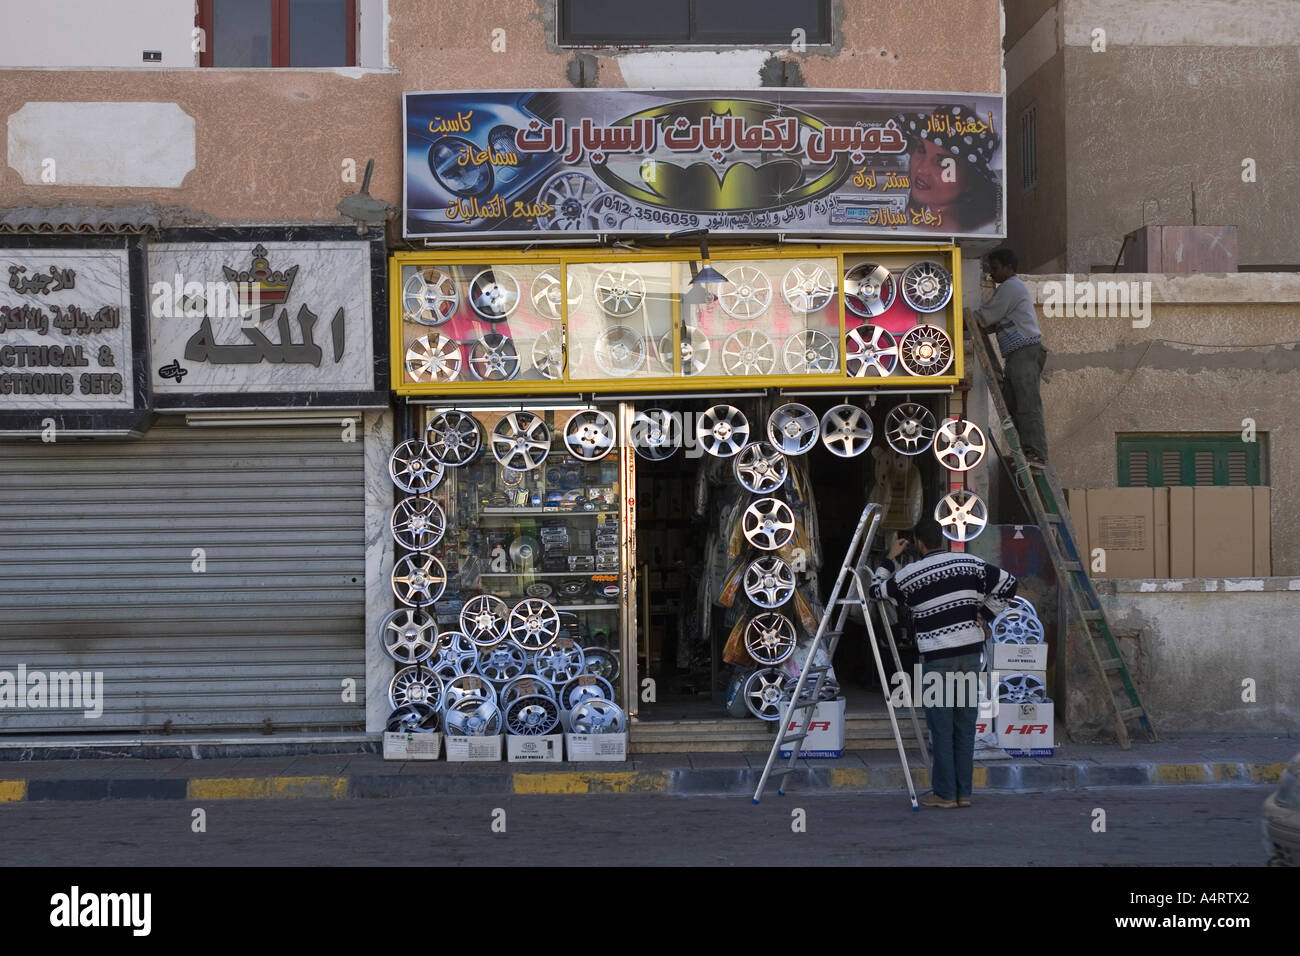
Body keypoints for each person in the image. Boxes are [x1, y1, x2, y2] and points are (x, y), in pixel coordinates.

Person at [871, 518, 1018, 809]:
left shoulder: (910, 574)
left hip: (938, 658)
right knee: (965, 725)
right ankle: (964, 793)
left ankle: (945, 794)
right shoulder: (970, 563)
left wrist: (890, 558)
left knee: (941, 727)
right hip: (969, 655)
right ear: (942, 539)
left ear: (918, 543)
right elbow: (1009, 583)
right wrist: (985, 615)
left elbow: (876, 591)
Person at [972, 247, 1049, 464]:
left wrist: (962, 319)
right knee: (1015, 404)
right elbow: (992, 323)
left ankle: (1036, 453)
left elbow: (986, 317)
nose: (991, 274)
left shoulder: (1010, 287)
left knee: (1027, 404)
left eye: (995, 268)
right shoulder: (1009, 289)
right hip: (1018, 354)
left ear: (1008, 268)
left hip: (1024, 352)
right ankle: (1029, 451)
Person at [894, 105, 1001, 233]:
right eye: (921, 149)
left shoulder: (941, 228)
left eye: (943, 163)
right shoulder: (917, 218)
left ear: (970, 182)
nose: (922, 169)